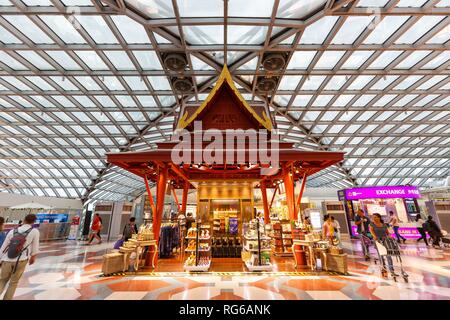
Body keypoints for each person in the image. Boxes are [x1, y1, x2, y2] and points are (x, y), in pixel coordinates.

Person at [0, 214, 40, 300]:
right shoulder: (34, 231)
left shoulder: (12, 231)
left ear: (23, 219)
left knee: (2, 280)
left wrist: (1, 260)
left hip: (7, 260)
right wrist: (33, 258)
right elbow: (35, 248)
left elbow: (3, 247)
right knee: (13, 283)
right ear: (33, 222)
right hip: (21, 260)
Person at [369, 213, 397, 278]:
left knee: (388, 256)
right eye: (373, 217)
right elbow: (372, 232)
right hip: (378, 241)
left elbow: (387, 233)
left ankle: (392, 271)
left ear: (379, 218)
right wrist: (375, 237)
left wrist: (390, 237)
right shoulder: (371, 224)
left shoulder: (384, 225)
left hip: (386, 241)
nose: (374, 218)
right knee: (381, 256)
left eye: (376, 217)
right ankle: (384, 270)